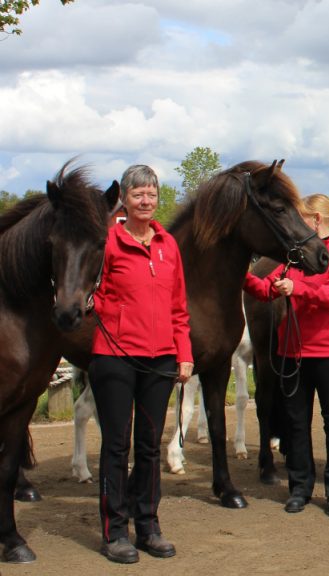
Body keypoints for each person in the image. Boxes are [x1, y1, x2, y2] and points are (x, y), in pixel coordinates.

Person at [89, 165, 193, 564]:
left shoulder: (168, 244)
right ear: (125, 200)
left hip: (161, 358)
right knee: (117, 446)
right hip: (114, 355)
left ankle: (148, 525)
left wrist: (183, 352)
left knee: (150, 447)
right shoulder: (109, 241)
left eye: (151, 194)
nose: (146, 201)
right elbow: (91, 291)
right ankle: (115, 532)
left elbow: (178, 306)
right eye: (138, 195)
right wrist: (110, 312)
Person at [243, 194, 329, 517]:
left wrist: (298, 290)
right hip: (292, 353)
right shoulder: (293, 258)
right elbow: (265, 289)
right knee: (296, 424)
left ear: (316, 220)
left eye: (300, 218)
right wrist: (241, 275)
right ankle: (300, 488)